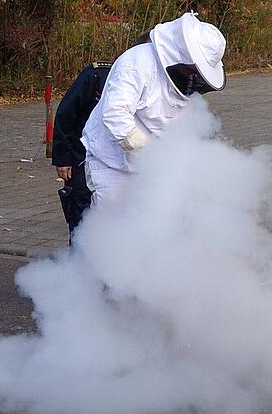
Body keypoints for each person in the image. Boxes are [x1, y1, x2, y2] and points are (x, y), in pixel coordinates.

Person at [80, 12, 227, 207]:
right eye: (194, 68)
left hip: (152, 167)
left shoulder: (184, 78)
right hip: (111, 163)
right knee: (113, 218)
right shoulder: (136, 63)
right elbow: (115, 112)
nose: (194, 74)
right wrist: (146, 151)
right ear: (182, 53)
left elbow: (180, 121)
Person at [52, 33, 152, 242]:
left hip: (124, 162)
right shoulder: (97, 75)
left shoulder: (156, 85)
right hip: (83, 155)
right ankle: (78, 259)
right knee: (82, 215)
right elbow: (65, 114)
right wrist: (62, 159)